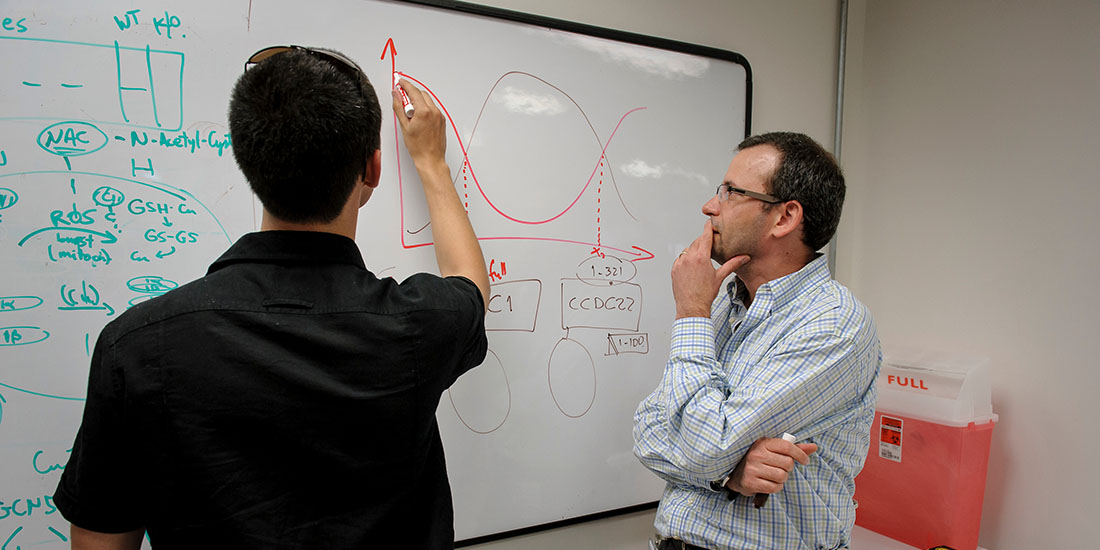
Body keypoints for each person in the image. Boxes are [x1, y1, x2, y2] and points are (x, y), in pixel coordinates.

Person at [53, 46, 489, 549]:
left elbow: (101, 540)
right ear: (372, 170)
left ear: (247, 161)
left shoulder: (134, 347)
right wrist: (432, 163)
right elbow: (470, 283)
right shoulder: (419, 325)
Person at [633, 132, 881, 550]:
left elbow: (706, 443)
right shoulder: (727, 305)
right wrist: (728, 471)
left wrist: (691, 313)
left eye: (732, 192)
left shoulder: (833, 323)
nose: (710, 206)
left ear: (784, 218)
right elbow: (648, 433)